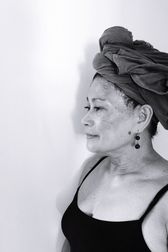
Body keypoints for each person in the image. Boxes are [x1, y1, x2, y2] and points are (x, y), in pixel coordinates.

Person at [61, 26, 168, 252]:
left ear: (141, 117)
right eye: (87, 106)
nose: (85, 119)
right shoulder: (91, 168)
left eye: (99, 108)